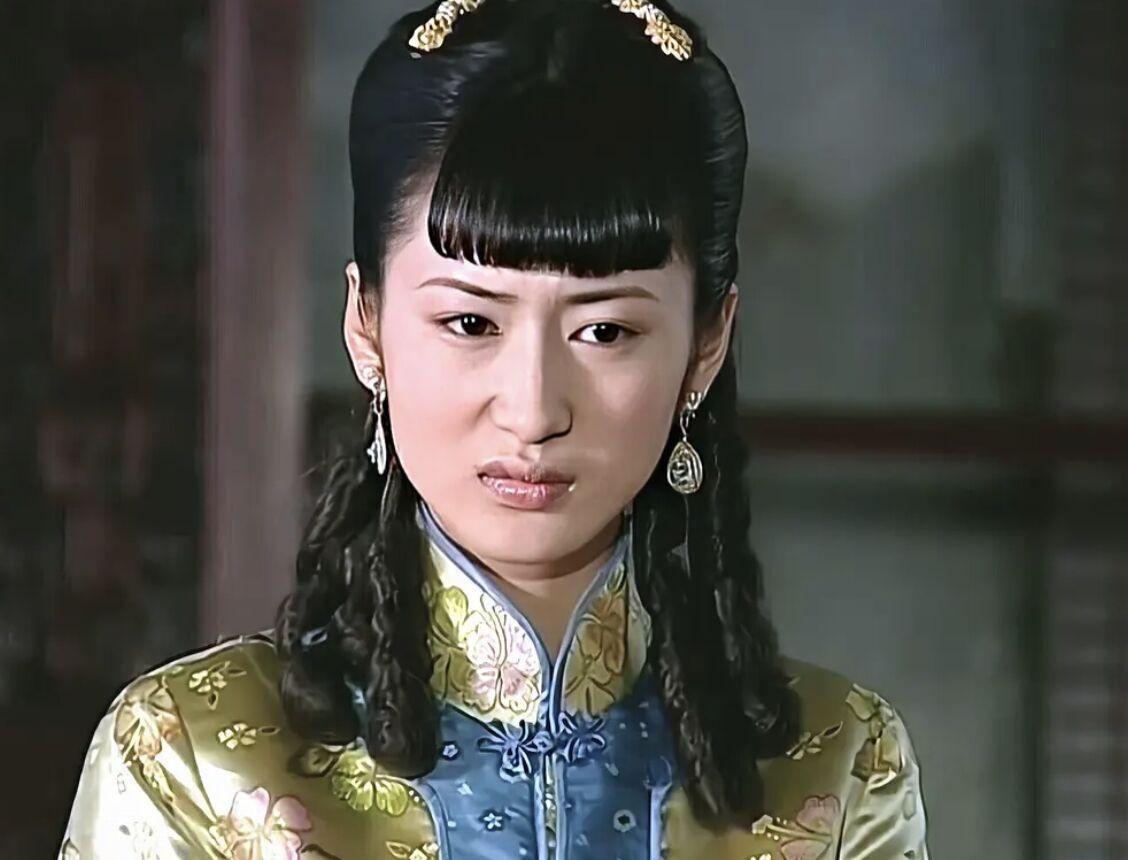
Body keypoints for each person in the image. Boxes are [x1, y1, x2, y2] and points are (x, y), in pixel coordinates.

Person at [60, 1, 931, 857]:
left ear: (706, 345)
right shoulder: (195, 761)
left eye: (606, 331)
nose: (534, 410)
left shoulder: (836, 771)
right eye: (471, 323)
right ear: (367, 325)